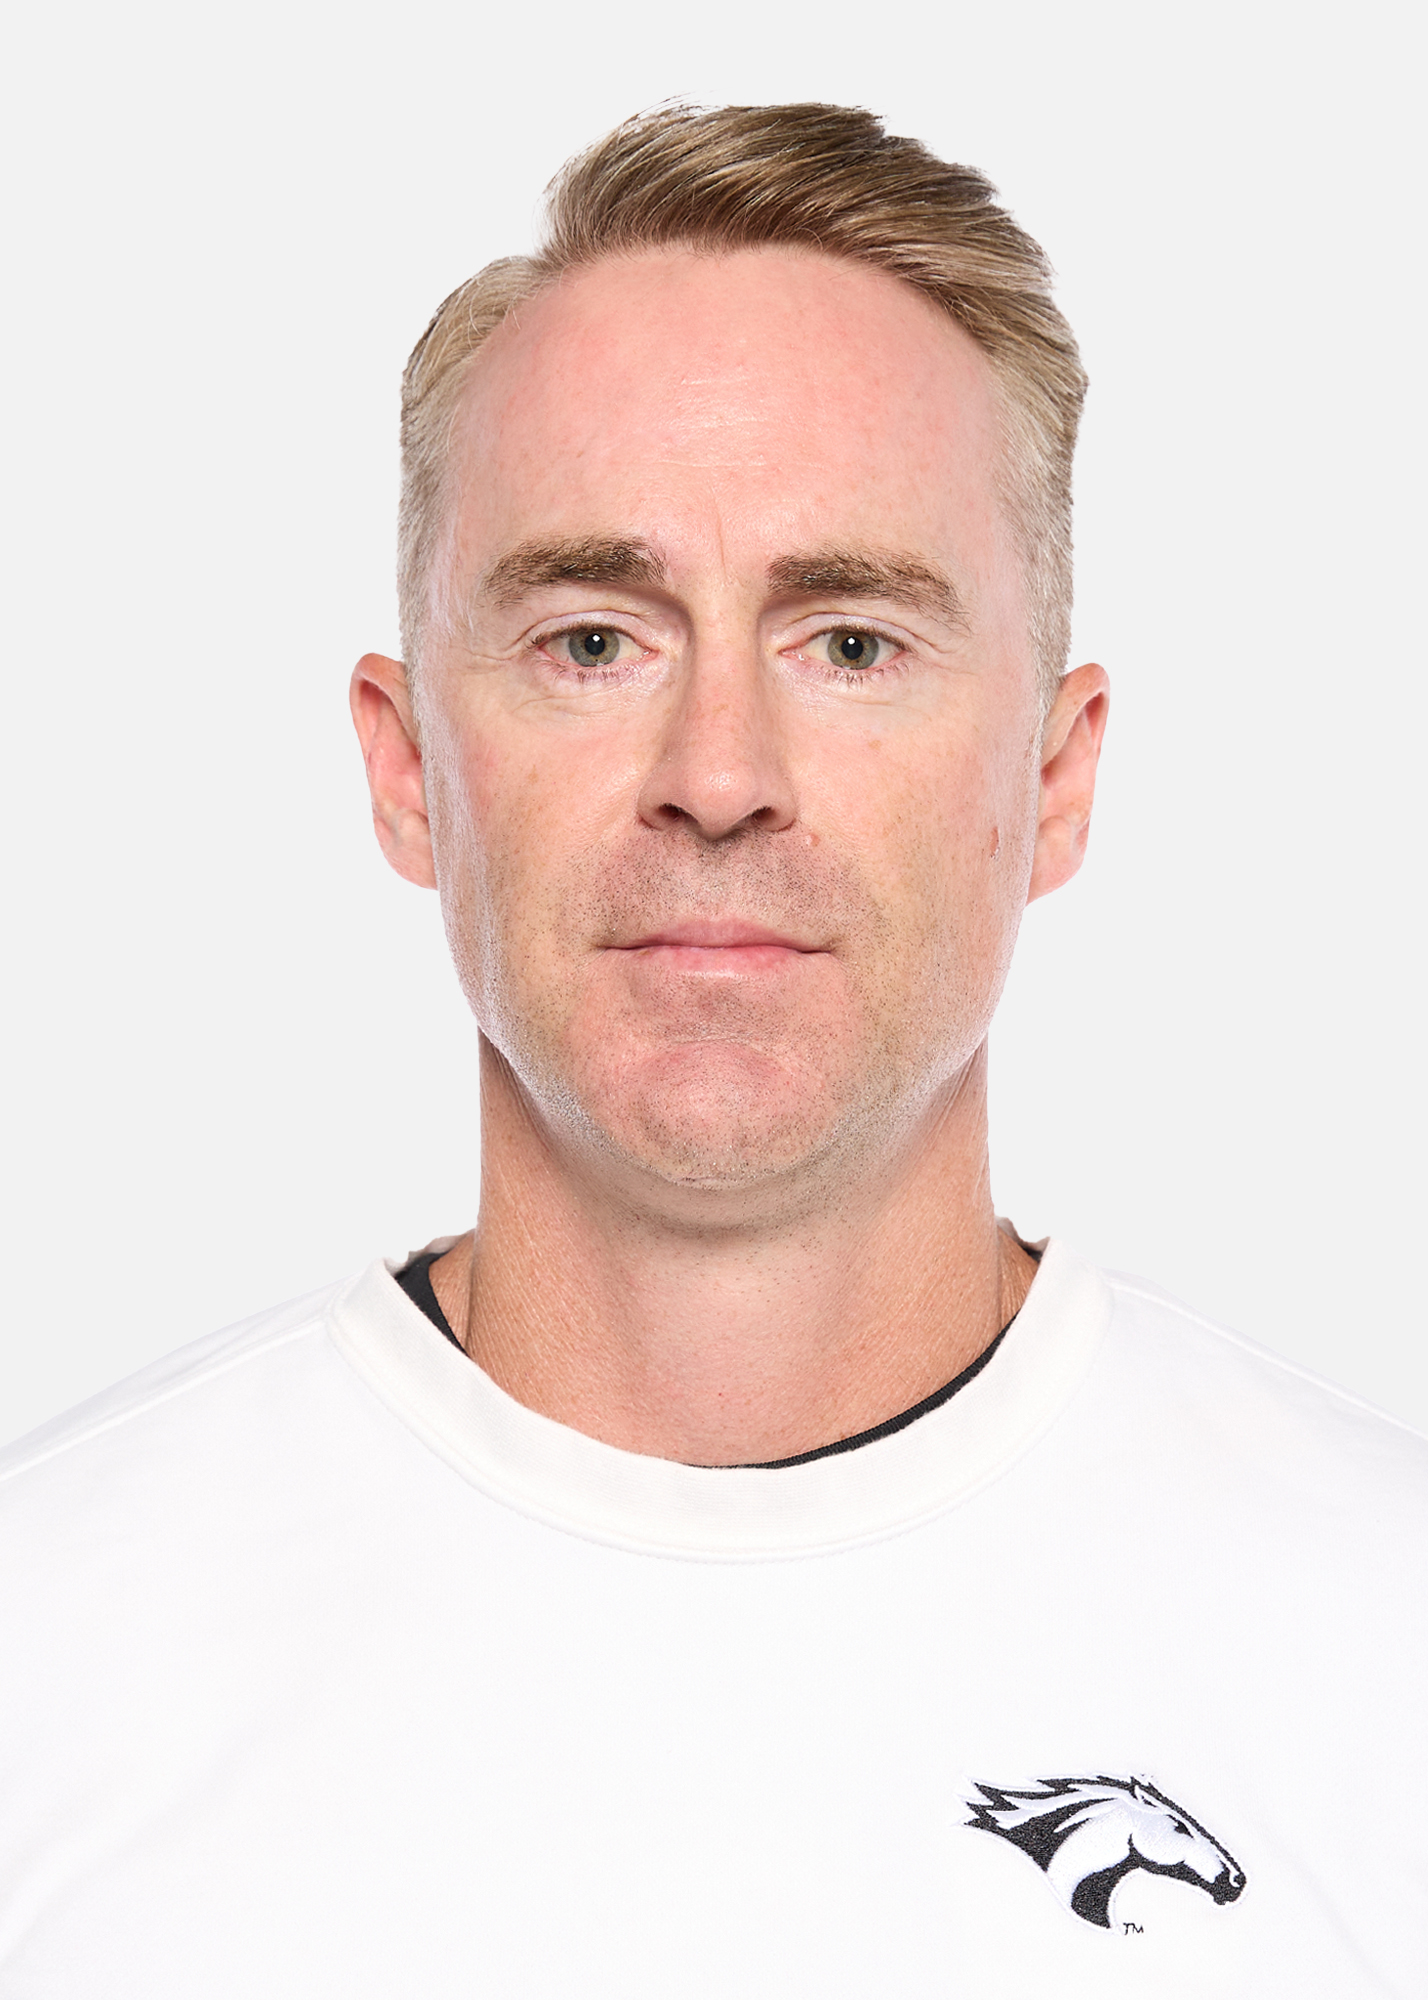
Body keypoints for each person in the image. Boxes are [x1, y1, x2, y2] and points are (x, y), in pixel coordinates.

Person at [0, 103, 1423, 1998]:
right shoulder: (48, 1647)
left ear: (1056, 779)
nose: (722, 777)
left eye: (854, 643)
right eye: (595, 640)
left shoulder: (1384, 1647)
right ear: (409, 770)